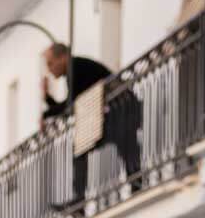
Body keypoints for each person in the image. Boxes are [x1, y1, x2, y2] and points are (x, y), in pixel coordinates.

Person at [42, 40, 141, 206]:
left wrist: (47, 109)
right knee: (86, 148)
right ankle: (135, 184)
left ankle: (135, 184)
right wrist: (48, 102)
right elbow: (71, 106)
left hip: (121, 109)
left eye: (51, 63)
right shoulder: (76, 67)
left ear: (63, 58)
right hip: (117, 110)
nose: (49, 69)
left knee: (119, 145)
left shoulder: (75, 68)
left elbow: (69, 106)